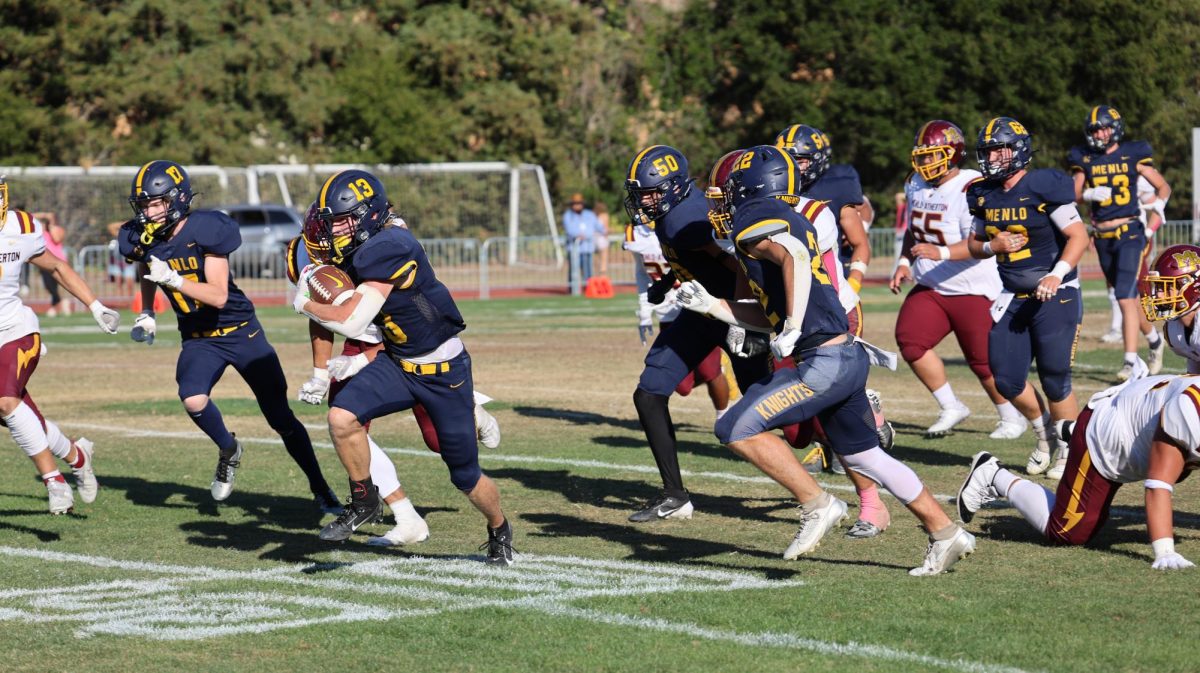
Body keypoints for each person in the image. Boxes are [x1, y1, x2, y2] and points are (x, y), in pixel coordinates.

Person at [677, 145, 975, 575]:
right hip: (846, 354)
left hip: (822, 361)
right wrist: (713, 305)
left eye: (723, 192)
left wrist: (795, 326)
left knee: (734, 427)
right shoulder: (783, 216)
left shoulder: (752, 215)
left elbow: (794, 258)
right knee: (865, 459)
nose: (718, 203)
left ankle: (818, 504)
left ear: (749, 187)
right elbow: (768, 312)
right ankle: (946, 532)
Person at [294, 169, 514, 565]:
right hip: (398, 361)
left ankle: (499, 527)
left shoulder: (388, 246)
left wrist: (305, 301)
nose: (334, 231)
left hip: (443, 371)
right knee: (342, 418)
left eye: (341, 221)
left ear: (367, 215)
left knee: (465, 477)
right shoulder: (375, 236)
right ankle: (364, 500)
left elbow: (351, 321)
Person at [118, 160, 340, 511]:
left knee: (279, 418)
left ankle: (321, 488)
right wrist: (147, 311)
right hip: (199, 337)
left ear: (176, 199)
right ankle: (229, 449)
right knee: (192, 398)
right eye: (143, 204)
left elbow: (218, 294)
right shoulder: (144, 237)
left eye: (155, 203)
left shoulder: (206, 230)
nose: (148, 211)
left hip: (240, 332)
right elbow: (147, 267)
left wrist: (174, 280)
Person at [715, 148, 893, 537]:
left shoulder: (812, 213)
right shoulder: (751, 221)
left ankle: (871, 503)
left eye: (730, 192)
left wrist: (791, 324)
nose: (726, 203)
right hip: (784, 326)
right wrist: (737, 319)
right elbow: (752, 281)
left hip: (827, 320)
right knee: (797, 433)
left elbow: (800, 266)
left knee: (832, 420)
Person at [621, 145, 772, 523]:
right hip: (702, 311)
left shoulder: (691, 216)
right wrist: (671, 280)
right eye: (641, 195)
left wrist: (742, 318)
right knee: (649, 393)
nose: (644, 202)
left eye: (651, 193)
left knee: (775, 408)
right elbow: (698, 259)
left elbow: (740, 263)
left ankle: (856, 422)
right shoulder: (673, 213)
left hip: (733, 311)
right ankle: (675, 495)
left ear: (673, 188)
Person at [957, 365, 1197, 571]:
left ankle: (1072, 432)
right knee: (1069, 532)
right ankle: (994, 474)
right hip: (1107, 439)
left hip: (1137, 413)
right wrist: (1165, 551)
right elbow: (1157, 484)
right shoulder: (1188, 412)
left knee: (1182, 466)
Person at [966, 117, 1090, 482]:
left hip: (1056, 293)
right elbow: (975, 245)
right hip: (1013, 295)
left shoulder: (1044, 185)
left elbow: (1078, 236)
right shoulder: (982, 192)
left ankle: (1069, 449)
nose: (991, 158)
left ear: (1018, 149)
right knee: (1005, 379)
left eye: (997, 149)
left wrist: (1056, 273)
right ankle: (1046, 436)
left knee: (1055, 377)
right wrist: (993, 245)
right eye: (987, 151)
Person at [889, 120, 1028, 440]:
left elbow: (981, 243)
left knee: (983, 361)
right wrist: (904, 261)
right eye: (921, 156)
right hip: (932, 285)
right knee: (910, 340)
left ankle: (1011, 417)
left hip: (972, 286)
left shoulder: (972, 187)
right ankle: (951, 406)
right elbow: (914, 228)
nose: (924, 162)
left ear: (952, 153)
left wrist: (941, 253)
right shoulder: (915, 184)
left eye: (931, 155)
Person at [0, 176, 120, 513]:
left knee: (6, 402)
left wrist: (95, 305)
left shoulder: (20, 225)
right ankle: (77, 455)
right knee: (18, 415)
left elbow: (54, 265)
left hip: (15, 331)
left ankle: (54, 480)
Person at [1067, 105, 1170, 380]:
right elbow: (1073, 193)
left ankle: (1129, 361)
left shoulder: (1132, 154)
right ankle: (1155, 340)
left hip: (1130, 233)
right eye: (1095, 129)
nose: (1100, 133)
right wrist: (1088, 194)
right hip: (1102, 236)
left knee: (1125, 294)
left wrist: (1159, 205)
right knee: (1128, 298)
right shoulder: (1084, 159)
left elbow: (1163, 186)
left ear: (1115, 128)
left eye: (1104, 127)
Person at [624, 213, 730, 419]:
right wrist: (644, 311)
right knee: (682, 387)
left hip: (697, 308)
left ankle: (724, 418)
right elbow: (641, 272)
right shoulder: (634, 233)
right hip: (666, 313)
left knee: (710, 373)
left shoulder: (680, 224)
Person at [1142, 244, 1200, 373]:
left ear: (1193, 286)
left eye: (1167, 287)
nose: (1158, 295)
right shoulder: (1176, 327)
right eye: (1157, 287)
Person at [31, 212, 70, 317]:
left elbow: (56, 239)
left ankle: (55, 306)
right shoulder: (41, 231)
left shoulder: (58, 229)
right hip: (45, 262)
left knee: (60, 285)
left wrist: (51, 224)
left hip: (58, 261)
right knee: (49, 286)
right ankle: (60, 302)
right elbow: (29, 216)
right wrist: (43, 215)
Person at [562, 193, 600, 289]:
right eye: (575, 203)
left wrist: (605, 230)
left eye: (579, 203)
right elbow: (569, 229)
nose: (577, 205)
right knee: (573, 271)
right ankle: (572, 289)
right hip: (574, 249)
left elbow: (598, 226)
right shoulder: (568, 216)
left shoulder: (590, 214)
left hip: (587, 248)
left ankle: (589, 288)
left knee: (588, 271)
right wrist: (577, 235)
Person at [594, 201, 611, 275]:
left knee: (597, 258)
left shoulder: (593, 216)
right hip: (602, 238)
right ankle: (603, 274)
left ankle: (597, 273)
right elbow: (606, 228)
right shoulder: (605, 215)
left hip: (594, 238)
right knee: (604, 257)